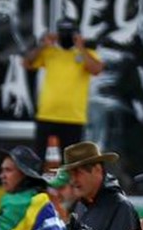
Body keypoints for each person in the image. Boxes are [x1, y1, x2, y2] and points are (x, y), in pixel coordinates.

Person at [22, 18, 104, 153]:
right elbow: (27, 64)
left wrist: (81, 48)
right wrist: (43, 45)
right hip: (47, 114)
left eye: (69, 33)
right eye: (63, 33)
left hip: (73, 117)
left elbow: (96, 70)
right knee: (37, 160)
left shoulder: (87, 54)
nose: (66, 37)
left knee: (70, 163)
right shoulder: (49, 52)